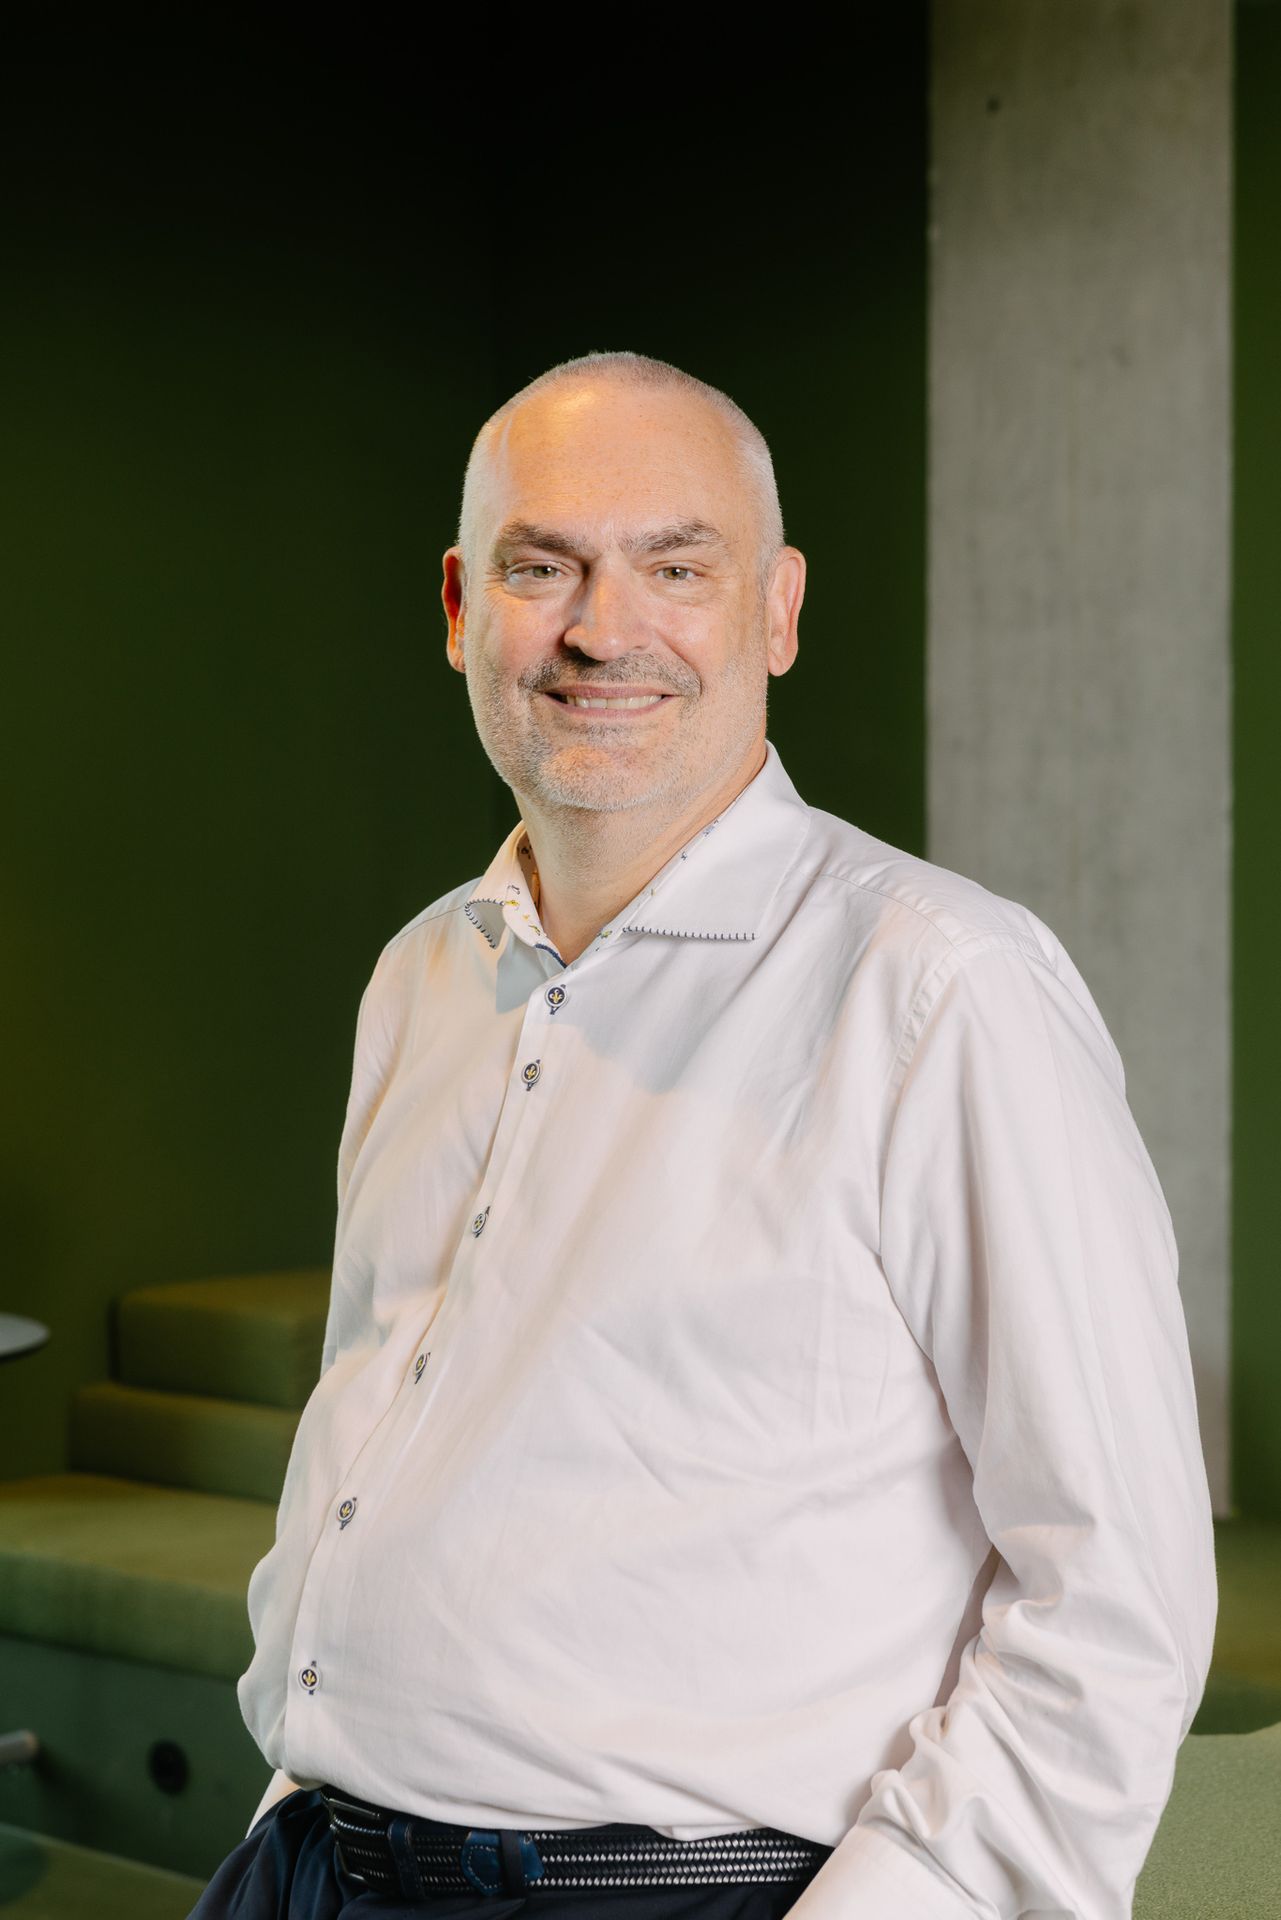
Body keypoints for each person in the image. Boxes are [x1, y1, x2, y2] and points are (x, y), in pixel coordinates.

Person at [191, 351, 1216, 1920]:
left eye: (676, 569)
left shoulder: (939, 989)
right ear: (460, 606)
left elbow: (1114, 1595)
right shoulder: (420, 979)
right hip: (313, 1865)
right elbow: (376, 1427)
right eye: (543, 568)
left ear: (776, 611)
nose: (603, 630)